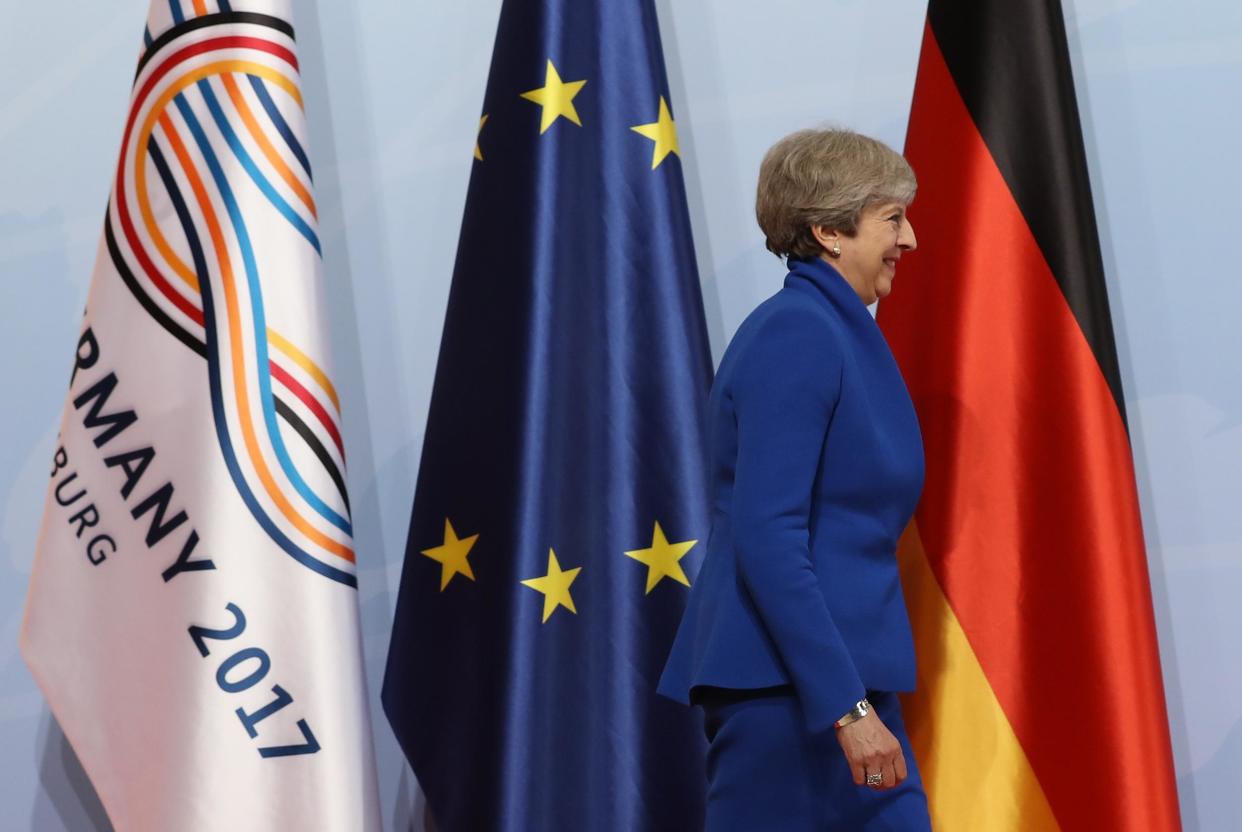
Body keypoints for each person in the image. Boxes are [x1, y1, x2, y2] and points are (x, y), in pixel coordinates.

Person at [659, 128, 930, 831]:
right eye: (893, 219)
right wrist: (846, 708)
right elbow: (768, 535)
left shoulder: (841, 332)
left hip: (843, 687)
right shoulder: (798, 333)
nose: (911, 240)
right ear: (830, 231)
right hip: (787, 695)